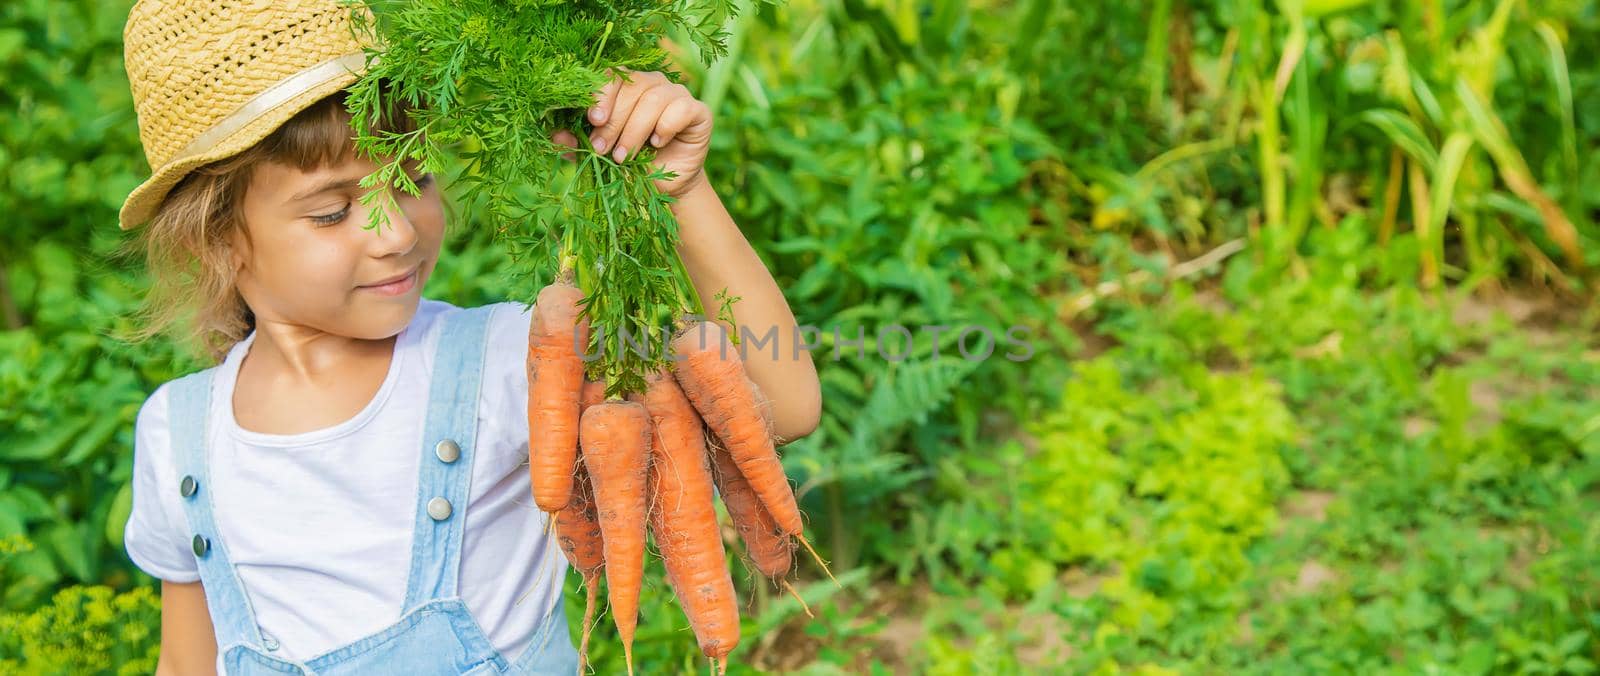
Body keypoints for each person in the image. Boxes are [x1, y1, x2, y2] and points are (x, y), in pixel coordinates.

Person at [116, 1, 822, 674]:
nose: (395, 234)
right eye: (332, 214)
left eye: (412, 177)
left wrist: (685, 193)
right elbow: (184, 663)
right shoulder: (178, 437)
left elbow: (784, 408)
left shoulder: (502, 362)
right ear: (215, 243)